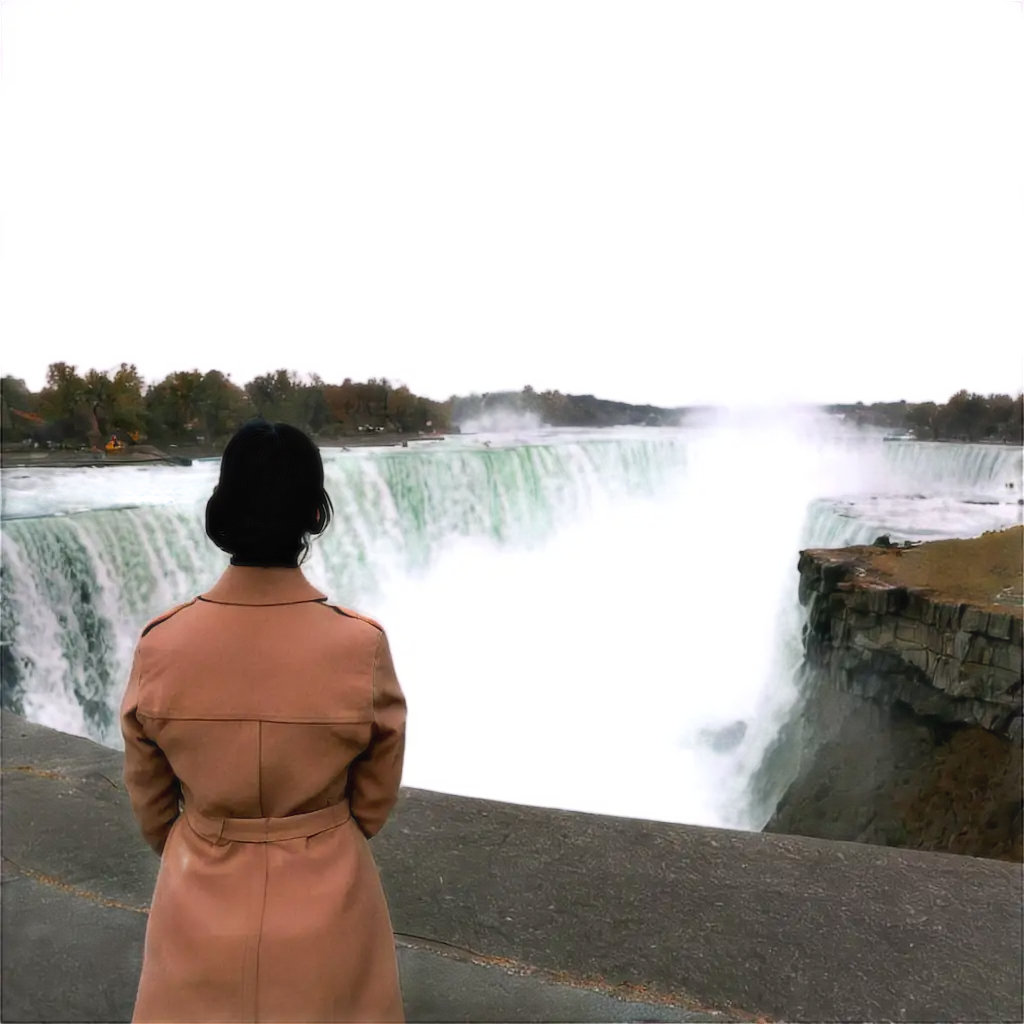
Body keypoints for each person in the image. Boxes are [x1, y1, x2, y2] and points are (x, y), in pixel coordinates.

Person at [120, 419, 407, 1023]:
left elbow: (151, 805)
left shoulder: (161, 645)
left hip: (197, 898)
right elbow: (376, 795)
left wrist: (203, 835)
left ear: (224, 506)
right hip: (331, 901)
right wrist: (324, 832)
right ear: (313, 512)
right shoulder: (360, 646)